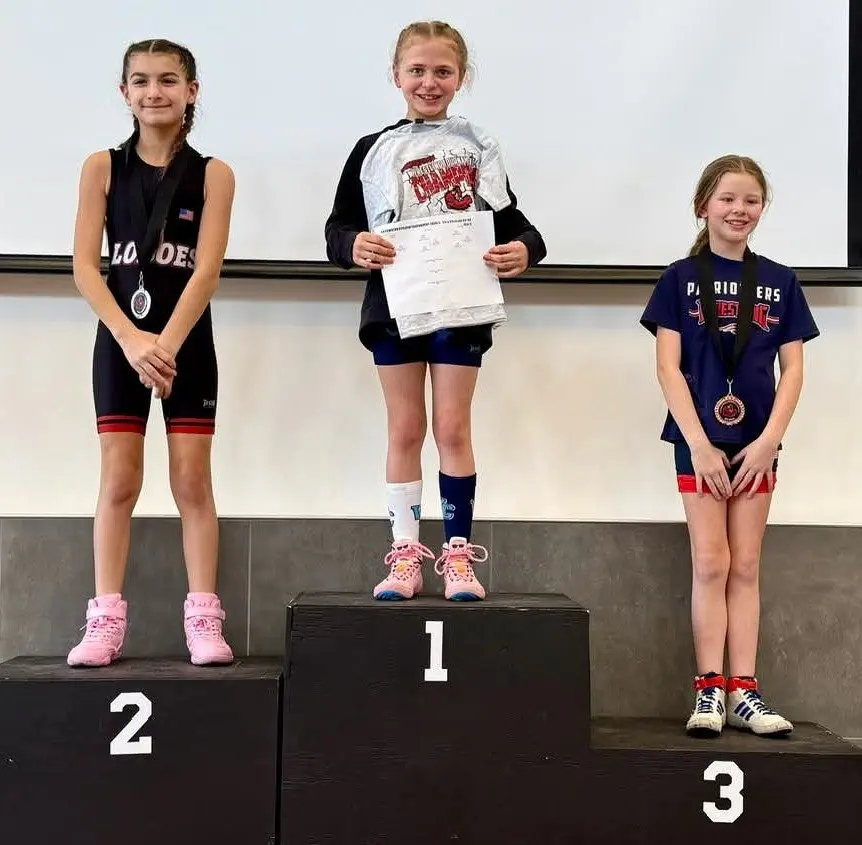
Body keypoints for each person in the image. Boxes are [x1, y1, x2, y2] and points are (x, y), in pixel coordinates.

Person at [325, 20, 546, 602]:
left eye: (442, 71)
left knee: (452, 428)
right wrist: (353, 246)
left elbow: (517, 225)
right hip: (394, 308)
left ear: (461, 77)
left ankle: (457, 555)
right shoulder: (372, 150)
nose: (429, 82)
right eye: (417, 70)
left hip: (460, 307)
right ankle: (404, 554)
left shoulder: (477, 147)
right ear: (396, 75)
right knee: (405, 428)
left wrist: (524, 250)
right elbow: (338, 228)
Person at [67, 39, 235, 666]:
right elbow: (86, 269)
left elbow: (206, 272)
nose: (154, 91)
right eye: (140, 80)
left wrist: (164, 344)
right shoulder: (101, 167)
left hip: (186, 344)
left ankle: (204, 621)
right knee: (119, 481)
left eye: (168, 80)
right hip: (121, 345)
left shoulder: (213, 174)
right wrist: (133, 341)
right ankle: (105, 621)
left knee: (192, 481)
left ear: (192, 91)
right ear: (124, 92)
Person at [641, 155, 819, 736]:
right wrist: (697, 443)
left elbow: (794, 370)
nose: (739, 209)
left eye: (751, 200)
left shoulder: (781, 281)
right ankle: (709, 691)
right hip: (699, 443)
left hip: (756, 443)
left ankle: (745, 692)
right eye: (727, 199)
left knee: (745, 564)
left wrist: (769, 441)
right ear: (703, 206)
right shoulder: (677, 279)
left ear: (762, 209)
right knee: (711, 562)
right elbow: (667, 368)